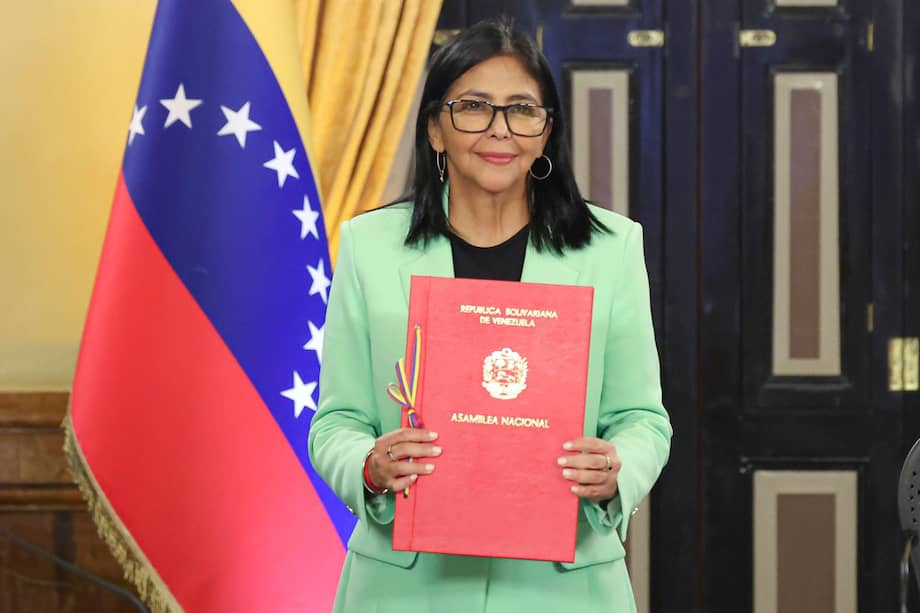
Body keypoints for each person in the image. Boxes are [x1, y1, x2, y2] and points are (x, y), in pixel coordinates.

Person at [309, 17, 672, 613]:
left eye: (522, 110)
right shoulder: (370, 246)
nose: (499, 130)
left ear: (546, 130)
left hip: (564, 584)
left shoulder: (612, 248)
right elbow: (337, 421)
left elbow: (642, 418)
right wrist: (370, 466)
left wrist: (618, 469)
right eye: (473, 107)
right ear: (434, 129)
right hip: (406, 586)